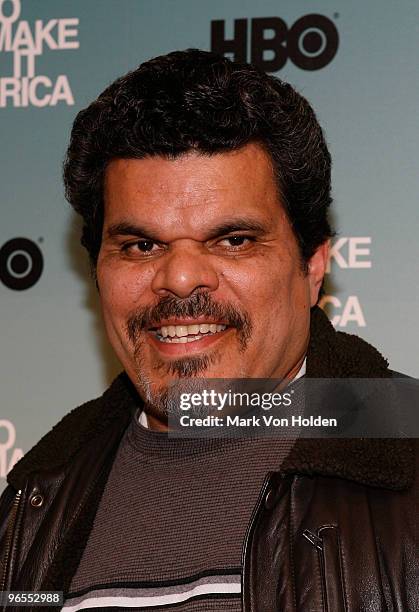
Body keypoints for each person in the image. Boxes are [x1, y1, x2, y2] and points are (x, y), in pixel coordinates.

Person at [0, 49, 417, 612]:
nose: (179, 277)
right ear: (98, 269)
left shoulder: (408, 462)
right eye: (141, 245)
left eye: (234, 240)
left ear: (312, 267)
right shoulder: (35, 501)